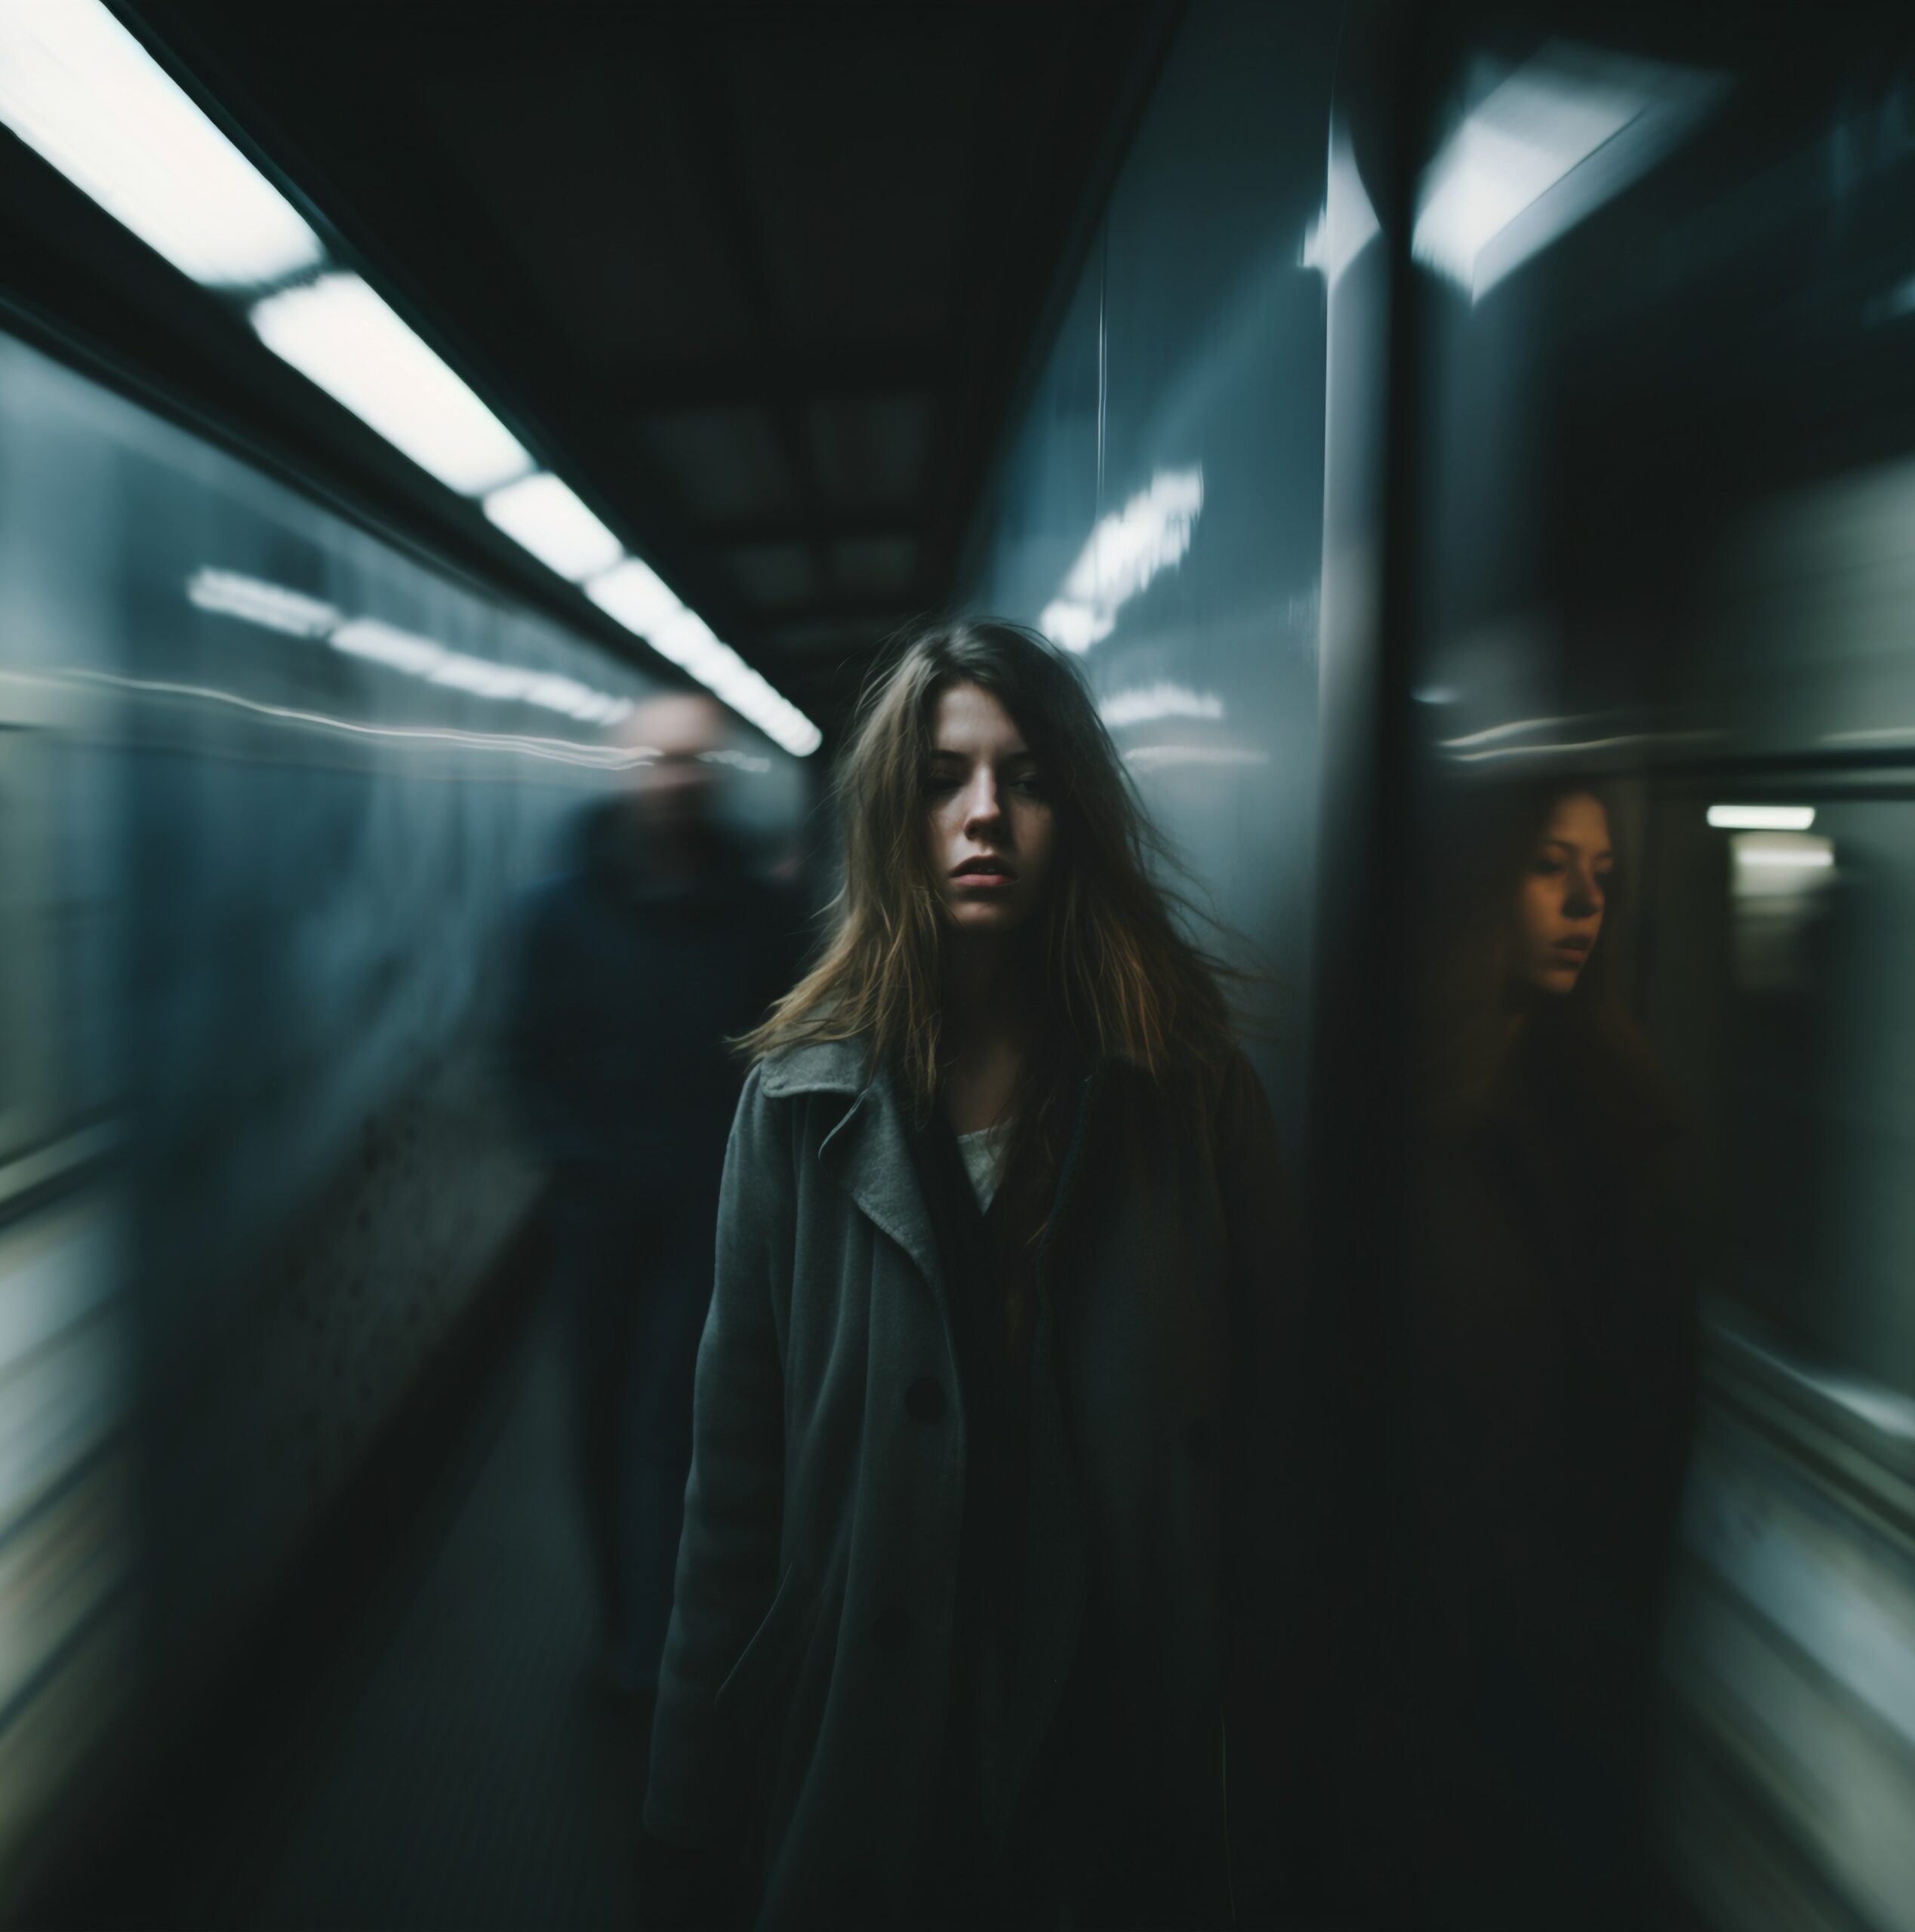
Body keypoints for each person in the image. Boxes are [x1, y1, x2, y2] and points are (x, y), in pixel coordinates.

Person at [639, 620, 1301, 1929]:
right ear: (895, 811)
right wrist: (684, 1839)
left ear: (1076, 809)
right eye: (944, 777)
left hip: (1112, 1741)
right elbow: (733, 1497)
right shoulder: (795, 1111)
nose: (983, 813)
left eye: (1027, 778)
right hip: (875, 1735)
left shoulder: (1189, 1095)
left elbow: (1278, 1429)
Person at [1395, 781, 1698, 1930]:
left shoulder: (1622, 1121)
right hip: (1449, 1692)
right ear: (1483, 887)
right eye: (1548, 867)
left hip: (1585, 1669)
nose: (1583, 901)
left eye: (1603, 877)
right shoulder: (1414, 1127)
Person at [506, 692, 805, 1718]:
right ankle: (621, 1621)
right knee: (597, 1417)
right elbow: (526, 1060)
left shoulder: (763, 919)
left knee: (673, 1424)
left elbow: (792, 1052)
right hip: (597, 1217)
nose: (674, 780)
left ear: (714, 774)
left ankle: (664, 1646)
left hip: (711, 1212)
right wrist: (574, 1160)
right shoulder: (555, 916)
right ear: (627, 771)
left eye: (692, 762)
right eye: (657, 762)